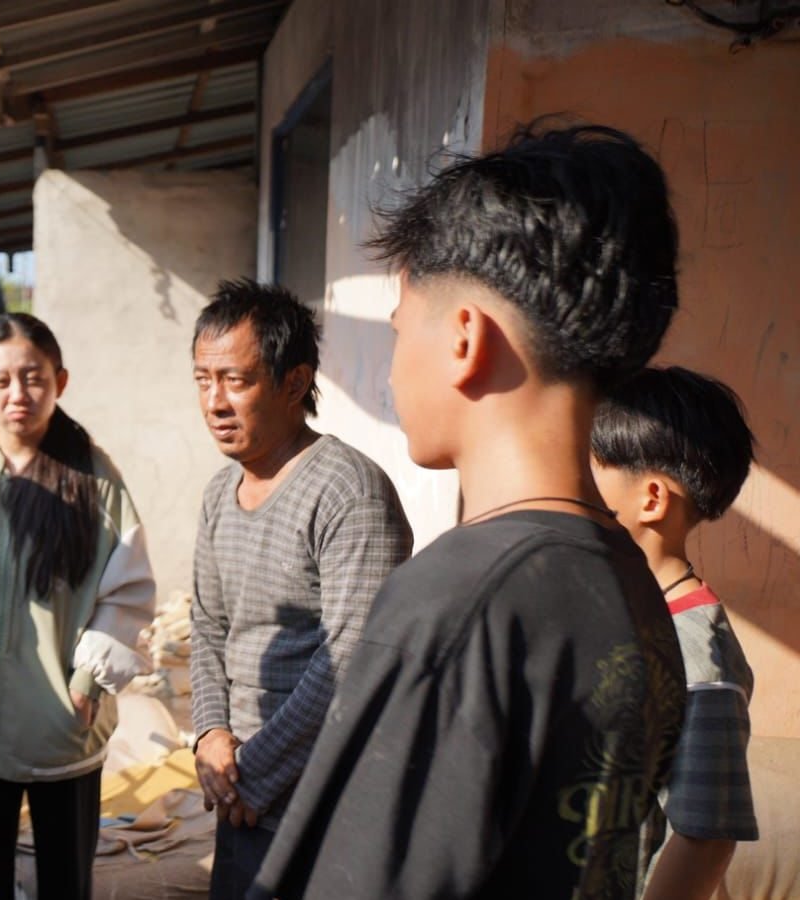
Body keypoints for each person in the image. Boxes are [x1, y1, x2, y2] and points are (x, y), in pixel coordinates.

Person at [255, 123, 687, 899]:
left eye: (396, 331)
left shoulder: (458, 600)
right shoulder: (629, 581)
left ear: (463, 339)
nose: (391, 366)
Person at [0, 313, 156, 900]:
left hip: (61, 720)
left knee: (64, 880)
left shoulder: (94, 477)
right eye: (3, 380)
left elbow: (129, 589)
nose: (19, 394)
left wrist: (89, 681)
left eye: (34, 377)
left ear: (60, 381)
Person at [187, 278, 412, 898]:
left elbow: (352, 657)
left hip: (320, 806)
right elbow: (207, 626)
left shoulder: (348, 491)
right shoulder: (217, 494)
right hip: (240, 794)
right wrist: (210, 736)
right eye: (204, 380)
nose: (215, 402)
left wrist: (250, 776)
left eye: (236, 380)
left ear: (294, 382)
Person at [591, 366, 760, 900]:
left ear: (652, 499)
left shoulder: (698, 651)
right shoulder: (622, 608)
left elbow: (705, 836)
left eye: (588, 474)